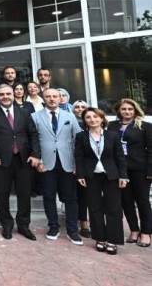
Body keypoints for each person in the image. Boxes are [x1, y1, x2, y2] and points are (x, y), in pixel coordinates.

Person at [0, 83, 41, 241]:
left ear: (13, 94)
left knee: (24, 194)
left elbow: (33, 134)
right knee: (2, 194)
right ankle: (7, 224)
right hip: (1, 161)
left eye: (8, 94)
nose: (5, 97)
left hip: (24, 159)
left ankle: (23, 225)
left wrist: (36, 155)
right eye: (1, 94)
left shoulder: (24, 112)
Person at [32, 88, 84, 244]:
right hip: (46, 163)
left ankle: (72, 231)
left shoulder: (70, 116)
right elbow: (33, 141)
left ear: (60, 98)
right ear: (43, 98)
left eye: (55, 96)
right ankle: (53, 227)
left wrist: (77, 164)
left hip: (67, 163)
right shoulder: (35, 116)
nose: (52, 99)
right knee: (48, 196)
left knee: (71, 198)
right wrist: (38, 160)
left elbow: (78, 140)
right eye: (48, 96)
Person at [75, 107, 128, 255]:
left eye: (95, 116)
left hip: (111, 175)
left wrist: (123, 176)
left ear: (102, 118)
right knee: (94, 207)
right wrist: (80, 175)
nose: (92, 119)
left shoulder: (113, 135)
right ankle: (100, 238)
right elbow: (79, 157)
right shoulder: (81, 136)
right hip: (91, 176)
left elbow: (120, 157)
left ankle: (113, 240)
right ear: (84, 120)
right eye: (88, 117)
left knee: (114, 208)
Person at [108, 99, 152, 248]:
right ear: (119, 111)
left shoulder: (145, 126)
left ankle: (146, 232)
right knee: (126, 201)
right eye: (124, 109)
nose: (127, 112)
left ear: (135, 111)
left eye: (130, 109)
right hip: (120, 170)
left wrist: (150, 171)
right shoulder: (112, 126)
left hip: (140, 169)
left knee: (142, 201)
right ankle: (134, 230)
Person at [72, 100, 90, 237]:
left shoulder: (92, 123)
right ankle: (83, 223)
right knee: (81, 195)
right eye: (77, 107)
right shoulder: (70, 122)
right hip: (76, 163)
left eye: (83, 107)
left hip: (93, 164)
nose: (79, 109)